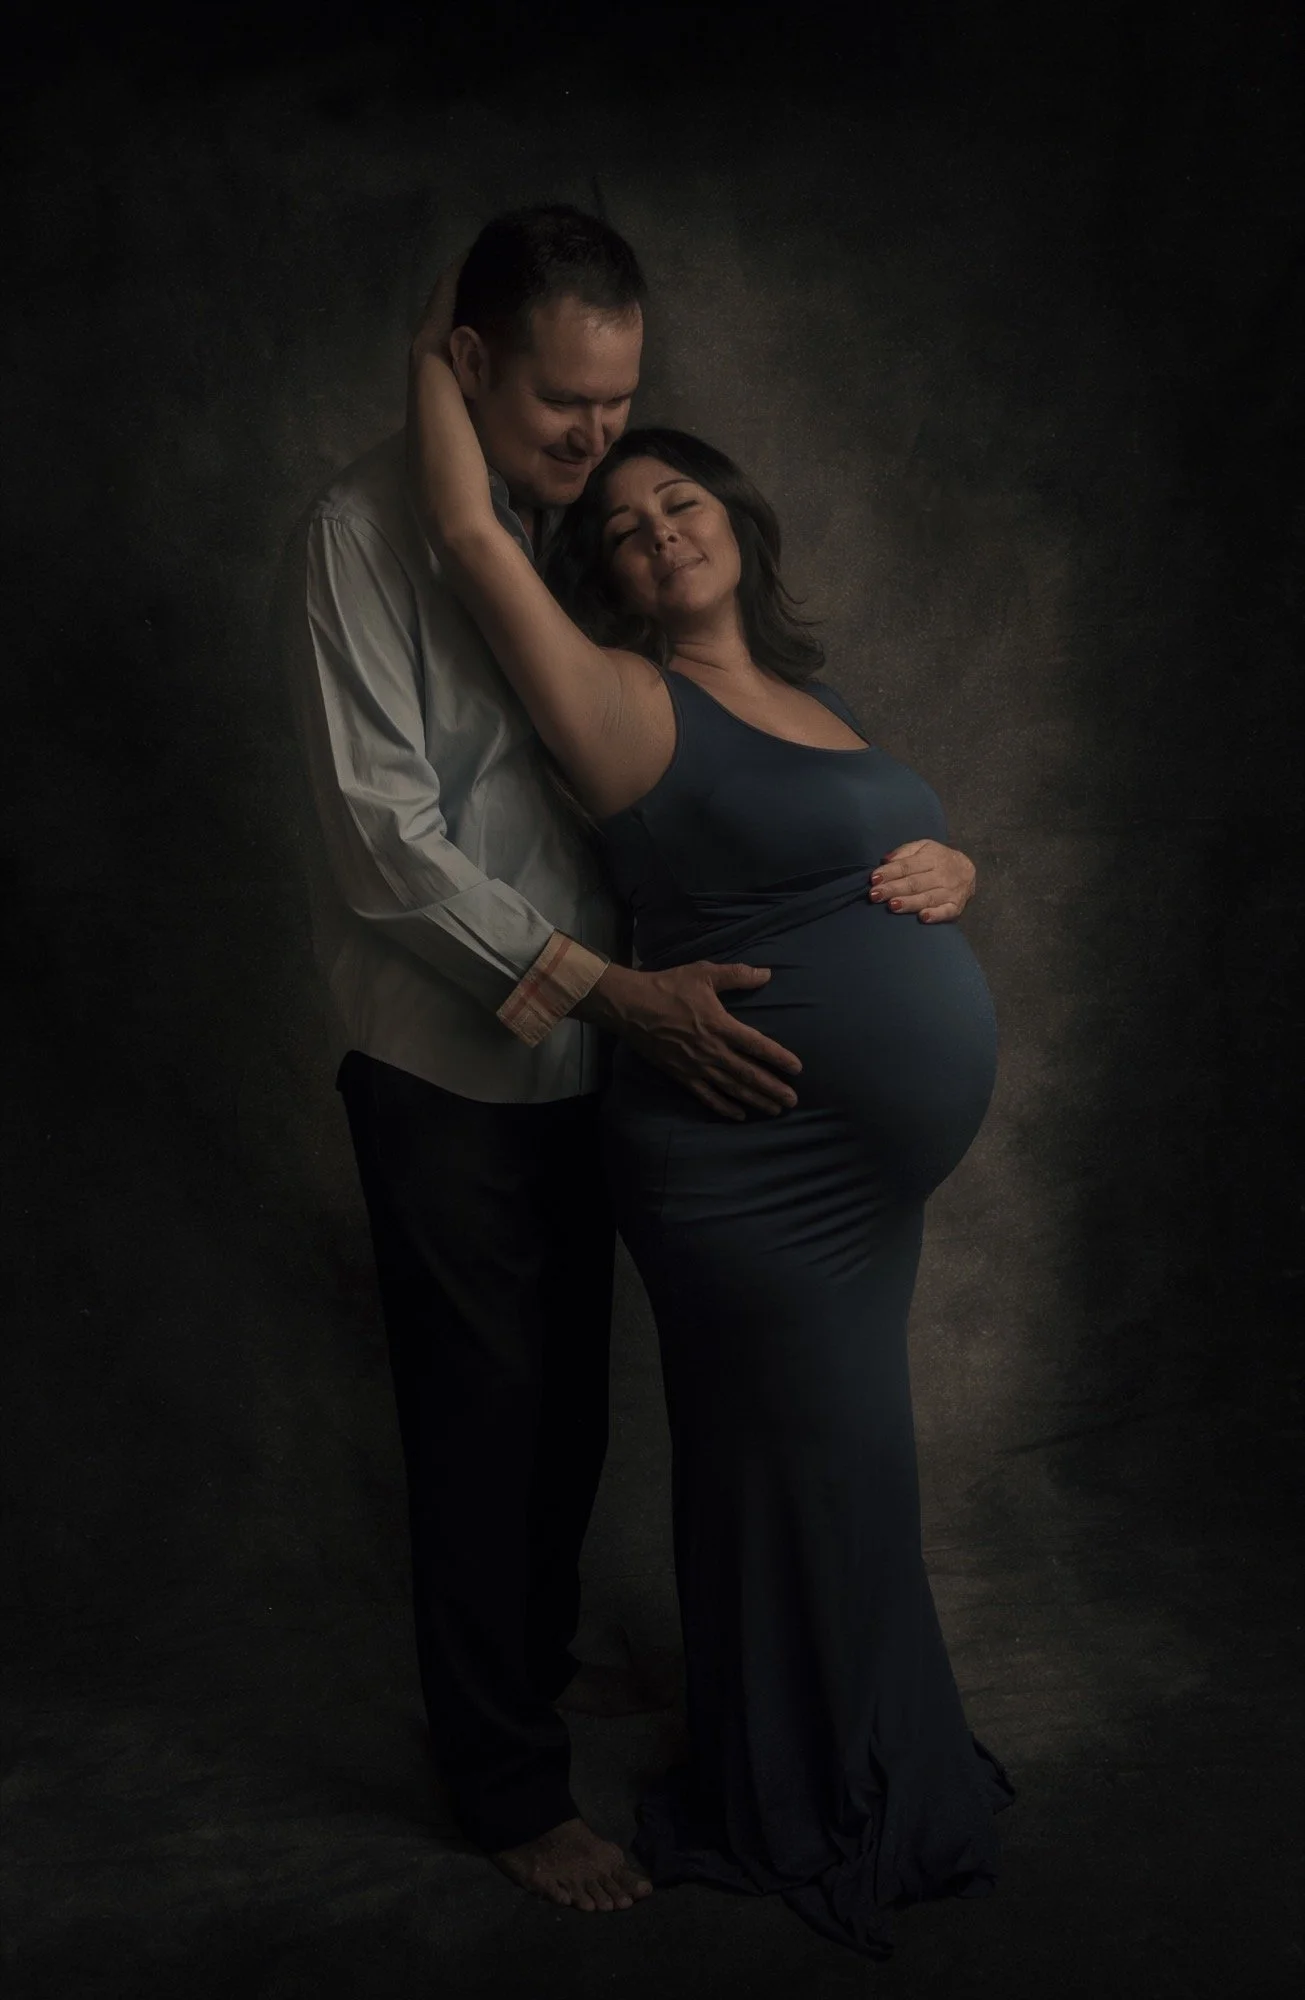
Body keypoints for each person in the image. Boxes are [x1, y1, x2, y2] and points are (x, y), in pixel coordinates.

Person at [281, 206, 980, 1923]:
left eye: (623, 404)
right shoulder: (367, 536)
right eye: (561, 404)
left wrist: (939, 871)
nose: (601, 444)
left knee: (570, 1410)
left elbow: (736, 795)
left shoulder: (585, 537)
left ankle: (528, 1663)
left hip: (618, 1061)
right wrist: (607, 985)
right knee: (485, 1420)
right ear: (466, 370)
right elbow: (389, 841)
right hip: (459, 1049)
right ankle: (508, 1782)